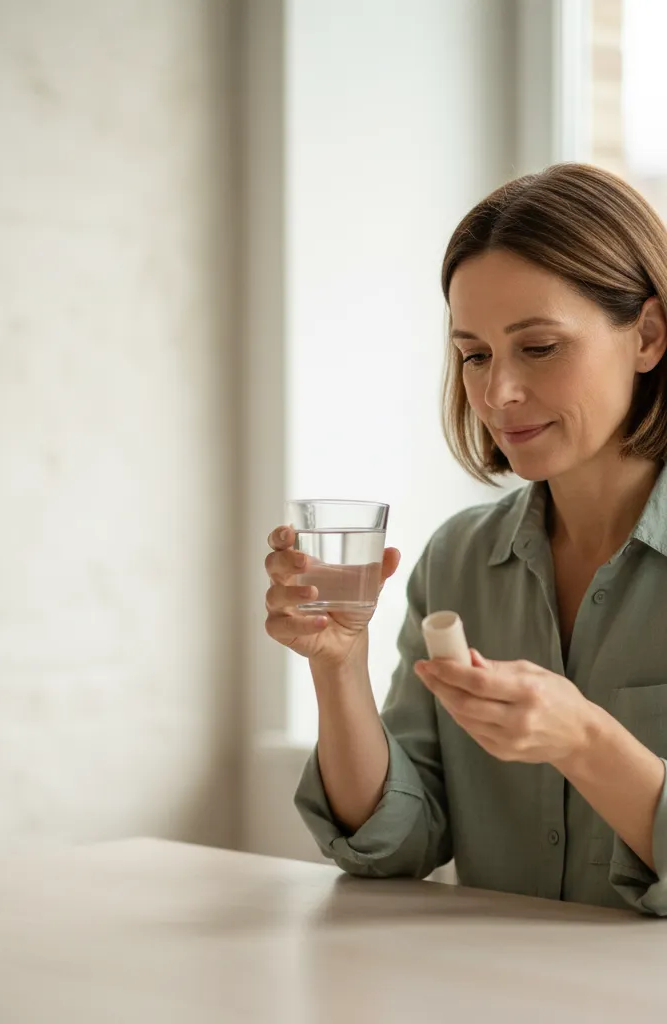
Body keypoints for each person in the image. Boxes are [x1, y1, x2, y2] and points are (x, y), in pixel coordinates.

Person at [264, 163, 667, 915]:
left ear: (646, 335)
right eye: (475, 353)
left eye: (539, 347)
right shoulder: (457, 561)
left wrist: (582, 739)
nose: (496, 393)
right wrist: (337, 666)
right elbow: (397, 842)